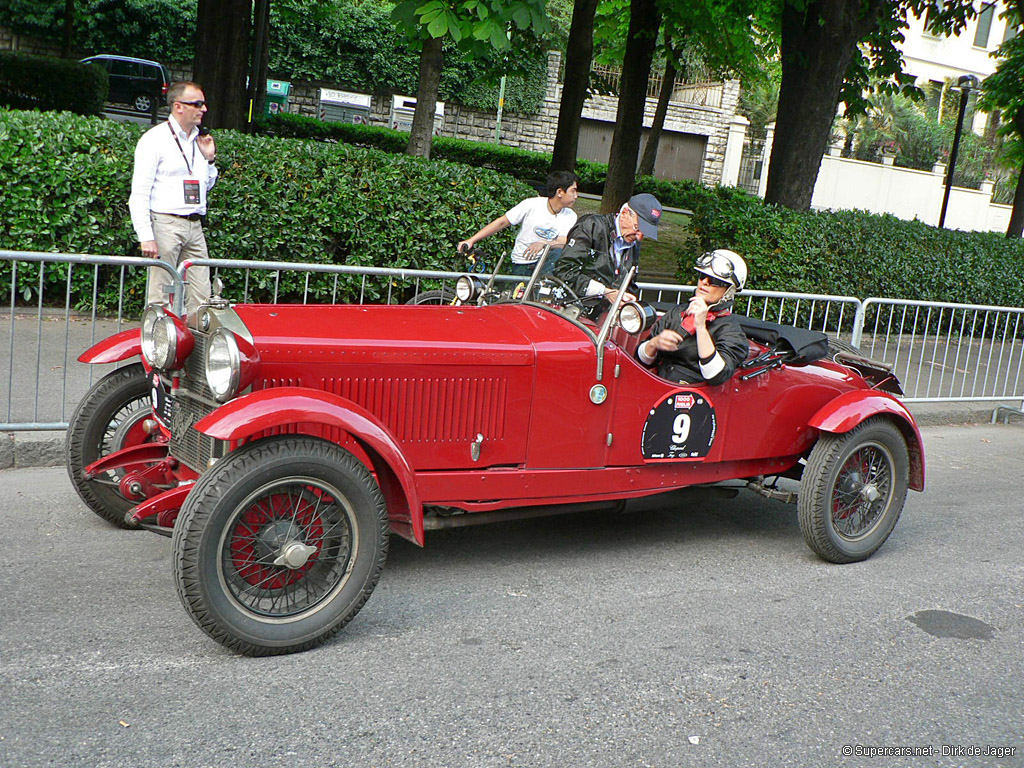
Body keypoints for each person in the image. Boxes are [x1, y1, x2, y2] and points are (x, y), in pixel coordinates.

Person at [128, 81, 218, 317]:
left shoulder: (200, 140)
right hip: (166, 222)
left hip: (195, 223)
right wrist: (146, 236)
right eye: (197, 104)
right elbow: (139, 192)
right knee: (161, 294)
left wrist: (210, 160)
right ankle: (161, 348)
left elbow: (206, 185)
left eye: (203, 103)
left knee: (201, 294)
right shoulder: (154, 139)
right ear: (178, 106)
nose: (204, 109)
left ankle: (195, 349)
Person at [636, 249, 751, 386]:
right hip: (660, 387)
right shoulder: (677, 313)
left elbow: (717, 375)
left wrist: (701, 327)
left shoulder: (731, 331)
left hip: (695, 399)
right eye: (702, 276)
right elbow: (641, 362)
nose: (705, 282)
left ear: (729, 291)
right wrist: (654, 343)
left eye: (715, 281)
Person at [554, 192, 662, 316]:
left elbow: (629, 283)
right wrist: (605, 292)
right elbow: (564, 272)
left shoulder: (633, 242)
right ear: (625, 213)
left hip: (604, 317)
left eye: (645, 233)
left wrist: (627, 299)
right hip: (570, 310)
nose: (639, 237)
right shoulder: (591, 226)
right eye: (637, 228)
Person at [458, 171, 579, 275]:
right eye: (573, 191)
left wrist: (543, 243)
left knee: (558, 253)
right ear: (559, 192)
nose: (576, 196)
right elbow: (502, 222)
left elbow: (564, 241)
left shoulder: (570, 215)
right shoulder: (531, 205)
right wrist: (471, 240)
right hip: (522, 263)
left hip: (545, 266)